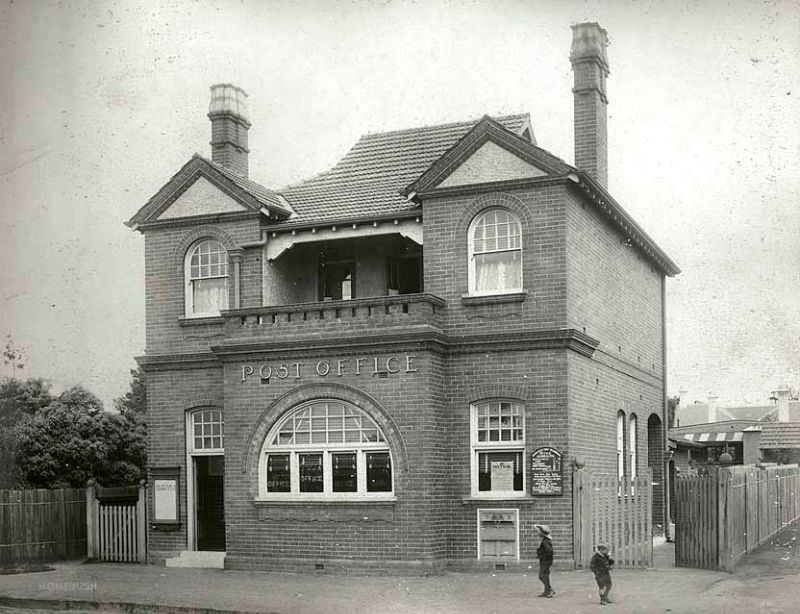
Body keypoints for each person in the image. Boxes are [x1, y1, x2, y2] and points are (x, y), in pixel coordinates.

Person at [534, 524, 555, 598]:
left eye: (538, 532)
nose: (537, 533)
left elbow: (550, 551)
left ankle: (549, 590)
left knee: (542, 576)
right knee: (545, 575)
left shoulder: (545, 541)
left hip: (545, 561)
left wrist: (543, 556)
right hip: (546, 561)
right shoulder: (545, 540)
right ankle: (547, 591)